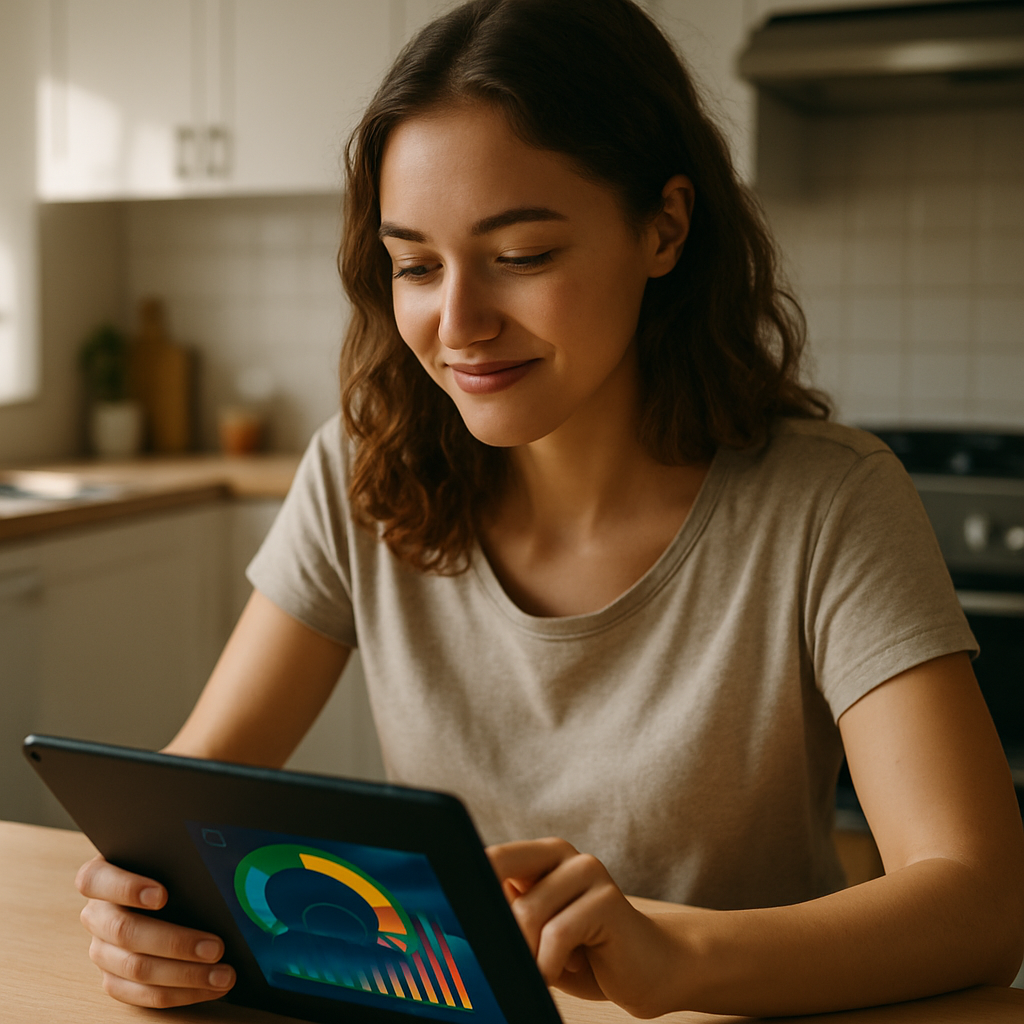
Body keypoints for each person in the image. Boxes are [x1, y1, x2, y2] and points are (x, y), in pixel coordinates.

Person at [74, 0, 1024, 1016]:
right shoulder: (364, 468)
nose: (459, 324)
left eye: (521, 255)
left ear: (664, 226)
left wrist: (677, 958)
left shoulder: (828, 500)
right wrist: (136, 899)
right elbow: (191, 788)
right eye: (413, 265)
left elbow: (981, 902)